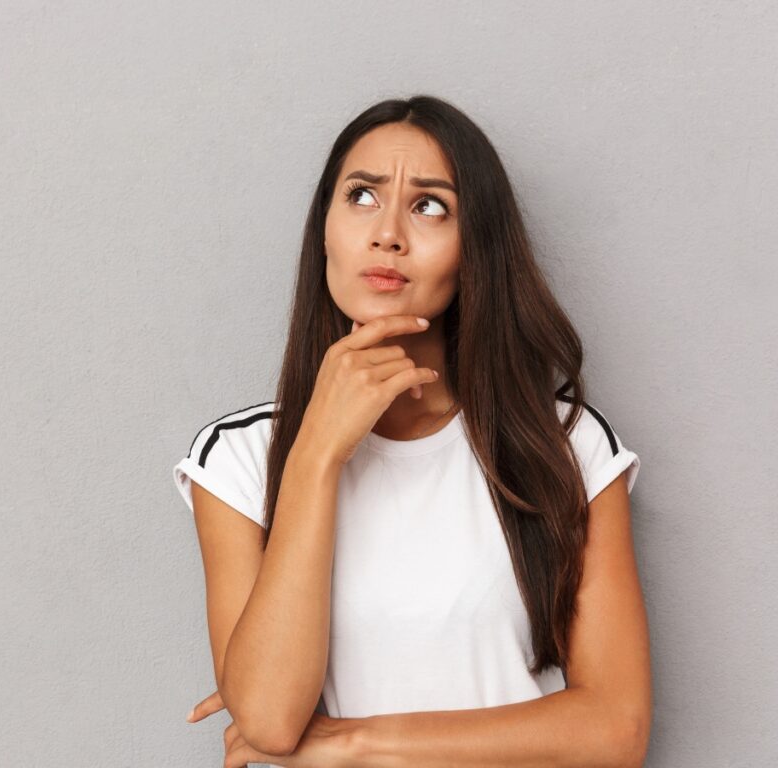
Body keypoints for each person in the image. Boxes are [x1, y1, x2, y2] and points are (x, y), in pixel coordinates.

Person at [171, 95, 652, 767]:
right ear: (325, 230)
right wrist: (317, 453)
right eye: (362, 196)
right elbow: (272, 722)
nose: (388, 234)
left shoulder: (565, 446)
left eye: (429, 206)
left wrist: (354, 742)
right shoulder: (239, 459)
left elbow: (615, 730)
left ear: (474, 249)